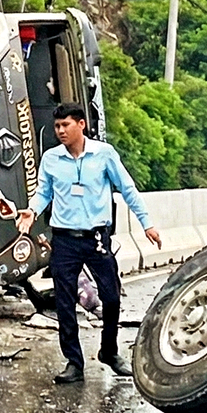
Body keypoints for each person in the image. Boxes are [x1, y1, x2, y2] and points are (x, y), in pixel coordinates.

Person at [17, 103, 162, 384]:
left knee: (110, 297)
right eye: (57, 126)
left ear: (81, 125)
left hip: (96, 238)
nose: (60, 131)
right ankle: (74, 362)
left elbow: (127, 188)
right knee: (65, 301)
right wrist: (32, 210)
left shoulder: (103, 155)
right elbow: (43, 191)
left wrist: (147, 224)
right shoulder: (51, 159)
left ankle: (109, 351)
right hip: (65, 240)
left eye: (66, 125)